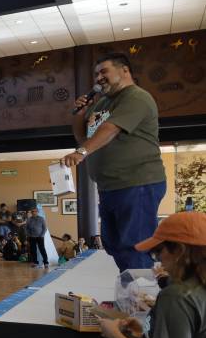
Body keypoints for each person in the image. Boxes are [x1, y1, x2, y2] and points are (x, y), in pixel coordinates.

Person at [62, 52, 166, 272]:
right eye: (96, 73)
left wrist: (81, 153)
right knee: (115, 244)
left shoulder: (136, 97)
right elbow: (84, 137)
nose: (99, 77)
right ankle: (130, 293)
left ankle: (142, 302)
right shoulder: (101, 104)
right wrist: (80, 114)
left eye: (104, 71)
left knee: (135, 245)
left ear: (124, 71)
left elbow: (110, 129)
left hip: (137, 182)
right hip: (110, 186)